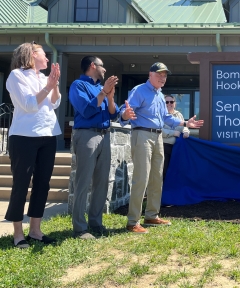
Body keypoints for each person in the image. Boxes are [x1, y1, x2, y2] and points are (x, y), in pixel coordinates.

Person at [119, 62, 203, 234]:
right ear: (150, 75)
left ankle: (151, 215)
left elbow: (166, 117)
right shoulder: (139, 90)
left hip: (158, 136)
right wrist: (125, 115)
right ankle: (132, 221)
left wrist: (186, 122)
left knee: (157, 177)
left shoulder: (159, 95)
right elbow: (125, 110)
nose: (162, 78)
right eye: (159, 74)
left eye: (164, 75)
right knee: (141, 178)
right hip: (141, 134)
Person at [69, 56, 134, 239]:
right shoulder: (78, 85)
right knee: (83, 182)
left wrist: (110, 97)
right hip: (87, 135)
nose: (104, 69)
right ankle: (80, 228)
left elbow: (112, 115)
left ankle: (96, 224)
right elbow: (87, 111)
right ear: (92, 66)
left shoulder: (101, 89)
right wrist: (103, 93)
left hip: (105, 135)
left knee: (102, 182)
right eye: (102, 66)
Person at [5, 42, 61, 248]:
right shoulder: (16, 76)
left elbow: (55, 103)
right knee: (21, 183)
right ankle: (18, 234)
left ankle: (35, 230)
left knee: (42, 183)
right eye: (43, 54)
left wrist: (53, 85)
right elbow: (28, 104)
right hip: (24, 136)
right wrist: (48, 86)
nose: (47, 58)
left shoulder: (45, 78)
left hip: (48, 135)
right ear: (31, 55)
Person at [162, 94, 190, 181]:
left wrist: (186, 131)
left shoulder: (179, 115)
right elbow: (158, 130)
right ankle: (162, 193)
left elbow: (184, 126)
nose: (169, 104)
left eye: (171, 102)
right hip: (164, 146)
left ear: (175, 103)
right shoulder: (160, 115)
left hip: (178, 148)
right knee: (164, 171)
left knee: (177, 171)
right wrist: (173, 133)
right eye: (167, 102)